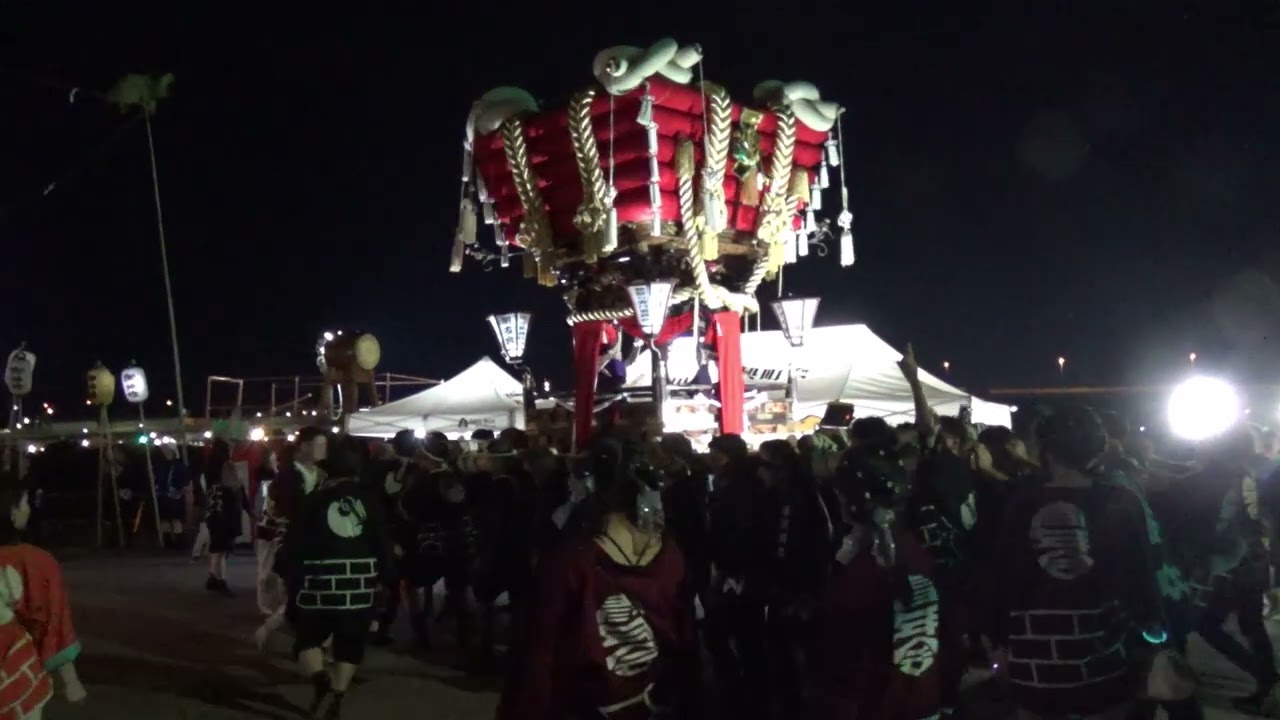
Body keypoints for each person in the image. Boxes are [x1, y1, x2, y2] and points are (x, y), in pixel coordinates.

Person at [497, 435, 701, 720]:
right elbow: (686, 636)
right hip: (660, 698)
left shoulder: (570, 559)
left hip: (592, 702)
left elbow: (540, 652)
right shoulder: (670, 553)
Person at [985, 405, 1164, 720]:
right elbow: (1141, 574)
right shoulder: (1120, 500)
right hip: (1104, 646)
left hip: (1036, 653)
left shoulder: (1021, 502)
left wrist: (998, 640)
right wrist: (1155, 633)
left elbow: (1002, 575)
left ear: (1046, 449)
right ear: (1097, 447)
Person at [277, 438, 394, 720]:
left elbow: (295, 543)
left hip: (318, 586)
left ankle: (319, 677)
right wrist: (388, 576)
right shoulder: (370, 500)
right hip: (358, 587)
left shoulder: (314, 500)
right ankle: (338, 695)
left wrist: (285, 569)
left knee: (307, 639)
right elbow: (382, 542)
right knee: (350, 643)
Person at [0, 474, 87, 717]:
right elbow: (52, 624)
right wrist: (71, 682)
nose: (28, 509)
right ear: (12, 511)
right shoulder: (34, 562)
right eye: (25, 503)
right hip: (13, 676)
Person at [255, 427, 328, 650]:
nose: (323, 449)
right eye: (319, 444)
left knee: (302, 594)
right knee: (294, 590)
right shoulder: (288, 476)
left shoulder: (321, 474)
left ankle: (295, 636)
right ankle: (274, 627)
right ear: (304, 446)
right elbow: (287, 511)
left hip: (311, 542)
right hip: (290, 541)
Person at [205, 444, 247, 598]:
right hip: (226, 515)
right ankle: (220, 580)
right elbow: (237, 490)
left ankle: (213, 576)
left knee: (216, 548)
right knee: (222, 550)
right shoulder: (228, 468)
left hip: (213, 514)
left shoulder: (210, 471)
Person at [155, 445, 191, 551]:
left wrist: (179, 490)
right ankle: (168, 541)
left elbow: (184, 480)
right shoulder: (160, 465)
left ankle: (180, 542)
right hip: (163, 495)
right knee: (165, 520)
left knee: (175, 519)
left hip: (174, 496)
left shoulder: (179, 466)